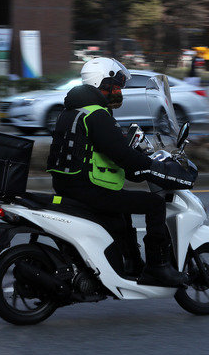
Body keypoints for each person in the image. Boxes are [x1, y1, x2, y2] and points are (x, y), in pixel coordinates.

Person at [47, 57, 197, 287]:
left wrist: (137, 166)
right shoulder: (97, 115)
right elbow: (122, 154)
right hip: (88, 189)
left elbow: (103, 153)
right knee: (154, 204)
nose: (120, 92)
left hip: (71, 186)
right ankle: (158, 268)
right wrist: (155, 169)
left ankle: (132, 264)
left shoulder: (73, 111)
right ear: (102, 85)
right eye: (116, 87)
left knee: (122, 210)